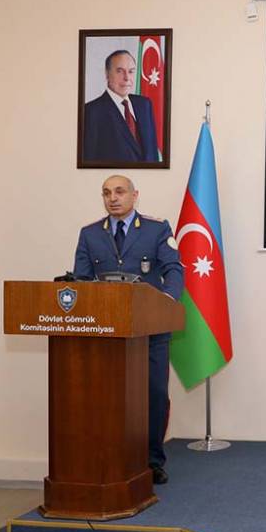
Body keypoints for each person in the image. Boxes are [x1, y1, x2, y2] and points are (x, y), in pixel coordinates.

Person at [73, 175, 183, 484]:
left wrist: (166, 302)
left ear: (135, 196)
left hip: (150, 331)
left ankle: (152, 460)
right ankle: (112, 457)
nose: (113, 198)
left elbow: (174, 269)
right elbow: (81, 280)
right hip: (107, 333)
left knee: (154, 395)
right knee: (108, 397)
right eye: (106, 193)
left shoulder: (156, 229)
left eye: (120, 191)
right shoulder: (90, 234)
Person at [82, 50, 160, 163]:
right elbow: (88, 162)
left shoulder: (144, 105)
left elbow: (152, 154)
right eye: (119, 71)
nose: (127, 78)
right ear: (107, 74)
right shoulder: (91, 112)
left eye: (131, 71)